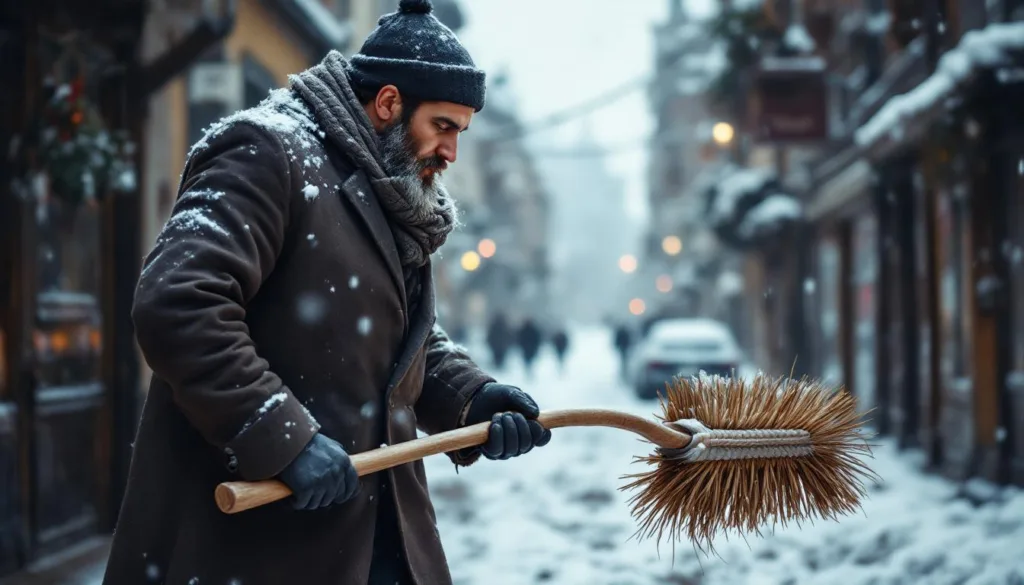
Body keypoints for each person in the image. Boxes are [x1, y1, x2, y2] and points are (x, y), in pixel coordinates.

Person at [102, 3, 552, 584]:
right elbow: (179, 302)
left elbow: (397, 338)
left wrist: (473, 399)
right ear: (387, 103)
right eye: (443, 126)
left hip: (380, 538)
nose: (451, 152)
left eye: (460, 133)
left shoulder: (388, 185)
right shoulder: (266, 151)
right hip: (260, 546)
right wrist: (282, 438)